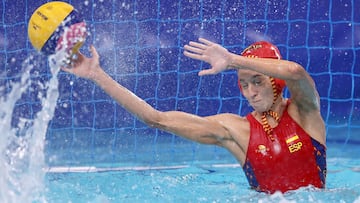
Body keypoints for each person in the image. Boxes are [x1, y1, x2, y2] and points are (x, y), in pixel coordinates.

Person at [61, 38, 326, 194]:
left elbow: (296, 72)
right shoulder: (236, 130)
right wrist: (97, 75)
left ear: (275, 81)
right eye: (244, 85)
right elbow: (156, 118)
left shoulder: (305, 113)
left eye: (257, 82)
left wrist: (233, 61)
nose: (250, 92)